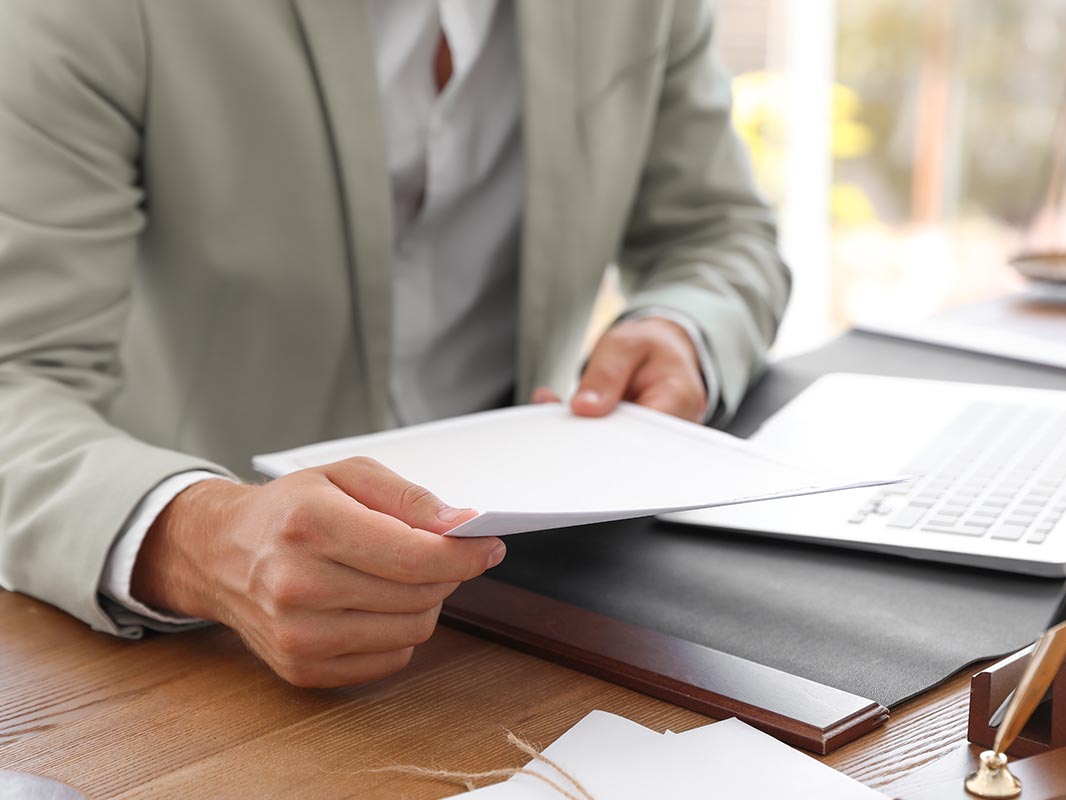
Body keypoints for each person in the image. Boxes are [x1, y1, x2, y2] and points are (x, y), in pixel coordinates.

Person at [0, 0, 790, 687]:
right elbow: (16, 378)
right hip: (200, 647)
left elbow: (720, 235)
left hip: (540, 591)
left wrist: (681, 330)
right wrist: (200, 537)